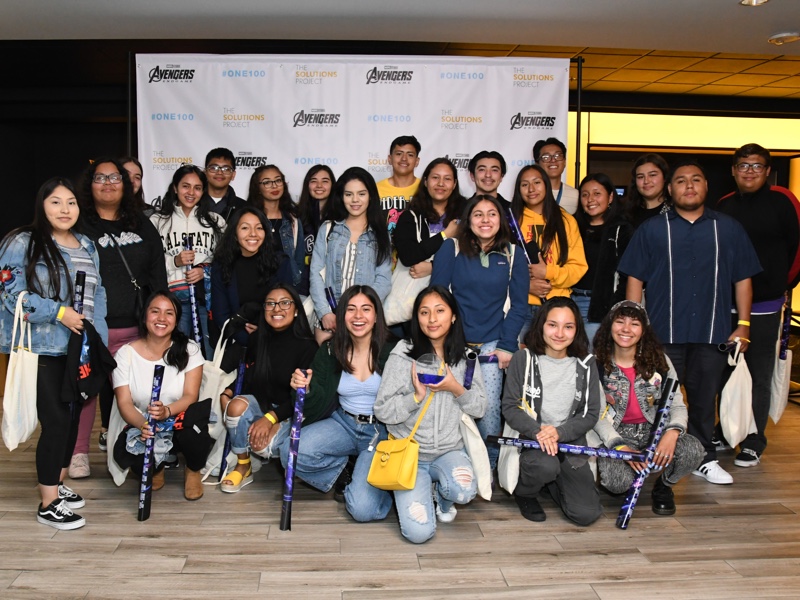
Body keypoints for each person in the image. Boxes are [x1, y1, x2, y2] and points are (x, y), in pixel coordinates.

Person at [619, 161, 762, 485]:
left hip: (712, 332)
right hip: (662, 334)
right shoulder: (653, 229)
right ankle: (650, 458)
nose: (688, 186)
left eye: (695, 179)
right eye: (681, 181)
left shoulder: (728, 228)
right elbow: (635, 279)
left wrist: (743, 325)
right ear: (670, 189)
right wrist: (632, 326)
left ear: (706, 186)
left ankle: (703, 458)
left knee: (702, 400)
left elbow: (742, 280)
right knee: (656, 401)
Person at [0, 177, 108, 529]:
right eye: (56, 202)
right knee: (57, 422)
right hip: (40, 347)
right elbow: (10, 295)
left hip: (79, 349)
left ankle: (56, 485)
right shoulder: (22, 242)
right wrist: (58, 312)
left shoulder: (87, 244)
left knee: (73, 419)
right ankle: (48, 504)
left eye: (71, 202)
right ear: (42, 206)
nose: (65, 209)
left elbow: (98, 295)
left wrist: (99, 342)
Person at [74, 157, 168, 478]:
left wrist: (158, 319)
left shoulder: (141, 223)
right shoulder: (79, 224)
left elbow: (157, 272)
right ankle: (78, 454)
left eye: (115, 177)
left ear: (125, 185)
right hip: (93, 327)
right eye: (100, 178)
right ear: (90, 185)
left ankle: (133, 451)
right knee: (86, 391)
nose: (108, 183)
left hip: (135, 329)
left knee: (134, 394)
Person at [373, 286, 487, 543]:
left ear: (453, 316)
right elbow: (382, 410)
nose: (432, 319)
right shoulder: (403, 353)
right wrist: (415, 398)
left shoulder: (467, 358)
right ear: (417, 318)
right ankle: (422, 490)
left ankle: (443, 501)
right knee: (419, 533)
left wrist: (455, 388)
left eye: (439, 311)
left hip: (450, 451)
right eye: (424, 312)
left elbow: (479, 408)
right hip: (409, 454)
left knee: (464, 489)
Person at [716, 143, 800, 467]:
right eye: (743, 166)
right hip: (726, 305)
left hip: (765, 304)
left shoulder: (783, 201)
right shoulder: (724, 205)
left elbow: (797, 245)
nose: (749, 171)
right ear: (733, 171)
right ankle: (725, 430)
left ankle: (753, 439)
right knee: (724, 371)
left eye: (756, 166)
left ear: (767, 171)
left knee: (758, 373)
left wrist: (783, 284)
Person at [431, 194, 528, 469]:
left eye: (492, 214)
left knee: (488, 409)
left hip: (492, 344)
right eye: (478, 214)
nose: (485, 220)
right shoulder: (450, 249)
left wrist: (507, 344)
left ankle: (491, 464)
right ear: (468, 220)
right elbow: (436, 299)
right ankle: (452, 461)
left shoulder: (513, 254)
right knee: (450, 403)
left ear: (501, 219)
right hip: (454, 341)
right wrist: (442, 342)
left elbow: (519, 306)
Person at [283, 285, 397, 520]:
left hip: (381, 432)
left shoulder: (395, 351)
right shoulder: (329, 350)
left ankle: (386, 489)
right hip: (343, 423)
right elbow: (311, 406)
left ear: (376, 316)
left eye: (366, 309)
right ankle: (344, 471)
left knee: (361, 510)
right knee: (290, 451)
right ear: (342, 315)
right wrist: (304, 389)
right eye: (351, 309)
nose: (358, 316)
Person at [592, 300, 704, 515]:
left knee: (693, 449)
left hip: (655, 431)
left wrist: (671, 434)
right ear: (609, 326)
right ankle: (634, 474)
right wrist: (620, 447)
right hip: (617, 434)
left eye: (634, 323)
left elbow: (678, 404)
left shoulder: (660, 361)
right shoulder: (596, 363)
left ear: (643, 330)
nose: (626, 329)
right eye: (620, 321)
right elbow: (596, 415)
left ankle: (664, 486)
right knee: (616, 483)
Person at [501, 297, 602, 525]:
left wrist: (559, 433)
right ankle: (526, 493)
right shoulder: (523, 358)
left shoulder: (587, 363)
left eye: (568, 326)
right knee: (545, 465)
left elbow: (590, 413)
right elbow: (510, 406)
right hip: (534, 439)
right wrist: (540, 431)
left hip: (568, 441)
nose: (559, 333)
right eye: (552, 324)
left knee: (586, 514)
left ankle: (555, 481)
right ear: (541, 325)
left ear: (577, 330)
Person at [107, 291, 210, 501]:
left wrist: (166, 412)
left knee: (195, 424)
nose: (161, 319)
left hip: (178, 419)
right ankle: (156, 467)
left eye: (169, 313)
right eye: (155, 311)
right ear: (145, 316)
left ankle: (192, 470)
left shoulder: (189, 349)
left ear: (176, 319)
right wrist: (143, 425)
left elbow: (191, 395)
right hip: (143, 421)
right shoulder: (125, 354)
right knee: (128, 452)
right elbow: (124, 402)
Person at [219, 283, 317, 493]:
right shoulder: (257, 339)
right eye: (270, 304)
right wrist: (227, 392)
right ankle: (243, 465)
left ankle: (259, 451)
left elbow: (301, 399)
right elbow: (251, 374)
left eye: (284, 303)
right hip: (261, 404)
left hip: (288, 413)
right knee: (234, 407)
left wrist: (271, 418)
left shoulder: (308, 346)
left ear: (296, 309)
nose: (277, 309)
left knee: (261, 446)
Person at [309, 167, 392, 343]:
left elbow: (383, 280)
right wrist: (325, 312)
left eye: (361, 194)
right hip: (329, 319)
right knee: (327, 368)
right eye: (349, 194)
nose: (355, 200)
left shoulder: (380, 234)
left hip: (363, 321)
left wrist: (360, 313)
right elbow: (316, 273)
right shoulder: (328, 229)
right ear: (341, 197)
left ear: (370, 196)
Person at [150, 165, 225, 357]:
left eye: (197, 187)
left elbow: (226, 260)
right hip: (172, 300)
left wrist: (204, 271)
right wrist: (174, 261)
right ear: (175, 187)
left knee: (208, 353)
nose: (191, 192)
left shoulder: (215, 221)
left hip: (205, 299)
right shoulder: (158, 221)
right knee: (176, 353)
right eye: (185, 186)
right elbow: (149, 263)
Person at [510, 165, 587, 340]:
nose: (531, 189)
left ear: (546, 185)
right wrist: (525, 286)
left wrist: (548, 273)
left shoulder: (566, 220)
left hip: (556, 308)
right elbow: (498, 268)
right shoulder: (510, 221)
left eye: (537, 182)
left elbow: (578, 267)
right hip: (519, 307)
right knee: (519, 363)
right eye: (524, 184)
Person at [391, 158, 465, 331]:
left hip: (455, 302)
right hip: (411, 307)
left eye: (447, 179)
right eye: (435, 178)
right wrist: (446, 234)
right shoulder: (410, 216)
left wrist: (434, 267)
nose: (441, 183)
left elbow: (474, 257)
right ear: (425, 181)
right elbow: (409, 256)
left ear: (454, 184)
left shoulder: (466, 214)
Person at [210, 206, 292, 348]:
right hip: (238, 342)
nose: (253, 234)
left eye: (259, 228)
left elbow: (287, 308)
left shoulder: (280, 263)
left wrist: (263, 333)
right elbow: (221, 315)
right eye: (245, 228)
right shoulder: (221, 266)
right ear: (234, 234)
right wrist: (250, 340)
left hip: (275, 340)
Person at [572, 173, 632, 344]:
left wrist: (618, 309)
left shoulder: (622, 229)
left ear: (611, 196)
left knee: (593, 361)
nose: (590, 199)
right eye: (585, 194)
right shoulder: (572, 226)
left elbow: (627, 275)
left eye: (597, 193)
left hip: (600, 306)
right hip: (569, 301)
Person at [246, 164, 305, 290]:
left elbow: (299, 261)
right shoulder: (249, 219)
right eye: (267, 182)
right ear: (257, 188)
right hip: (257, 287)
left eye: (278, 180)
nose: (274, 185)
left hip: (289, 287)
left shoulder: (293, 219)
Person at [297, 165, 336, 296]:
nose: (319, 185)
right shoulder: (296, 217)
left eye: (325, 181)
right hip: (302, 287)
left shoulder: (342, 218)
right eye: (314, 181)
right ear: (307, 185)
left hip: (333, 287)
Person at [376, 135, 421, 234]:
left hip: (416, 248)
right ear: (390, 159)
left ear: (417, 161)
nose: (404, 158)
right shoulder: (375, 189)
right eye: (399, 154)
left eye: (410, 155)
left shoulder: (425, 189)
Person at [533, 138, 578, 215]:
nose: (553, 160)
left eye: (558, 155)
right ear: (537, 164)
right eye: (546, 157)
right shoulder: (531, 192)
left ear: (564, 162)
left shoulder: (576, 195)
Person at [625, 153, 671, 228]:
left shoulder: (675, 212)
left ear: (664, 178)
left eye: (652, 175)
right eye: (640, 177)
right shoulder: (626, 213)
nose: (646, 181)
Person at [204, 147, 247, 222]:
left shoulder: (244, 208)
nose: (219, 173)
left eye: (226, 169)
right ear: (205, 172)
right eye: (214, 168)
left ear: (233, 175)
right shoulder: (192, 203)